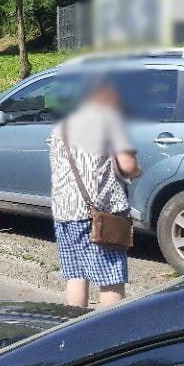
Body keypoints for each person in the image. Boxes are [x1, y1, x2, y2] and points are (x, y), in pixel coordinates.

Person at [49, 81, 141, 309]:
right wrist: (138, 171)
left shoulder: (61, 127)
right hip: (100, 214)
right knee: (111, 280)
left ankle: (73, 328)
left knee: (76, 275)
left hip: (64, 212)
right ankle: (109, 336)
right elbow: (128, 166)